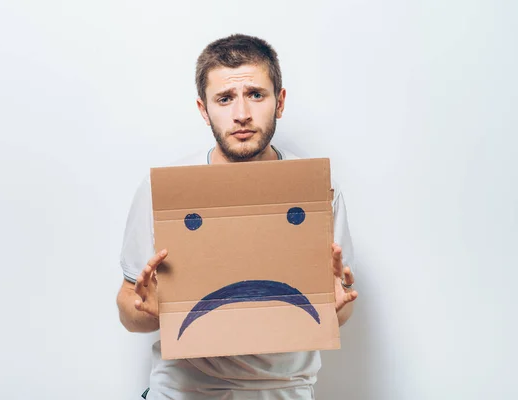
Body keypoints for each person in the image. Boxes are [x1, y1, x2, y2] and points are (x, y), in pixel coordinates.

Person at [116, 33, 358, 400]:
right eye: (225, 99)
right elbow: (129, 310)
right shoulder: (162, 191)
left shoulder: (319, 190)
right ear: (203, 108)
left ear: (279, 102)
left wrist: (336, 307)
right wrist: (149, 311)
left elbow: (337, 311)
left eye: (256, 95)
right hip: (186, 390)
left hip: (285, 390)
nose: (241, 114)